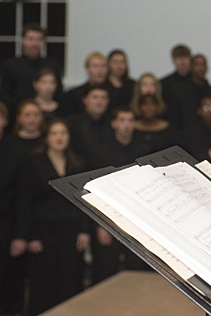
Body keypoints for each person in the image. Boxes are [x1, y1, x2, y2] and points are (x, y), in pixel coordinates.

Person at [18, 119, 89, 315]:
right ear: (46, 138)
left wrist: (84, 230)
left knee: (69, 279)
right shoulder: (34, 162)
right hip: (42, 231)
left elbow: (82, 199)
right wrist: (29, 236)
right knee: (43, 282)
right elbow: (26, 202)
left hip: (70, 230)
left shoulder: (77, 162)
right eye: (55, 133)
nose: (59, 138)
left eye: (63, 133)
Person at [90, 107, 151, 284]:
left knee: (136, 269)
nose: (126, 125)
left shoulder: (143, 149)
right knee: (106, 268)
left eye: (130, 120)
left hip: (137, 216)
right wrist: (100, 224)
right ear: (114, 123)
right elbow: (93, 190)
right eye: (122, 120)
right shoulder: (100, 152)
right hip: (109, 215)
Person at [0, 101, 27, 315]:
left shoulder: (15, 151)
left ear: (5, 121)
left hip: (5, 225)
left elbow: (21, 197)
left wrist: (20, 235)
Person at [0, 23, 62, 106]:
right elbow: (5, 95)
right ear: (23, 40)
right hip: (17, 113)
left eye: (39, 39)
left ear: (43, 42)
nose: (34, 44)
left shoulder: (53, 66)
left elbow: (59, 94)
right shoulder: (9, 66)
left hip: (48, 113)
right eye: (31, 39)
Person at [68, 84, 112, 165]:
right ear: (85, 100)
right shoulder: (72, 124)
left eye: (103, 98)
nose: (99, 102)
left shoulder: (113, 123)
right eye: (95, 97)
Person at [62, 52, 108, 116]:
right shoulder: (74, 94)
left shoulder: (113, 93)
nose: (100, 70)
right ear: (87, 69)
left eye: (103, 66)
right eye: (95, 66)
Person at [160, 44, 192, 109]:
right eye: (179, 58)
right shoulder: (164, 83)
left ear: (190, 59)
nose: (182, 61)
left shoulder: (197, 82)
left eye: (185, 57)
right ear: (173, 60)